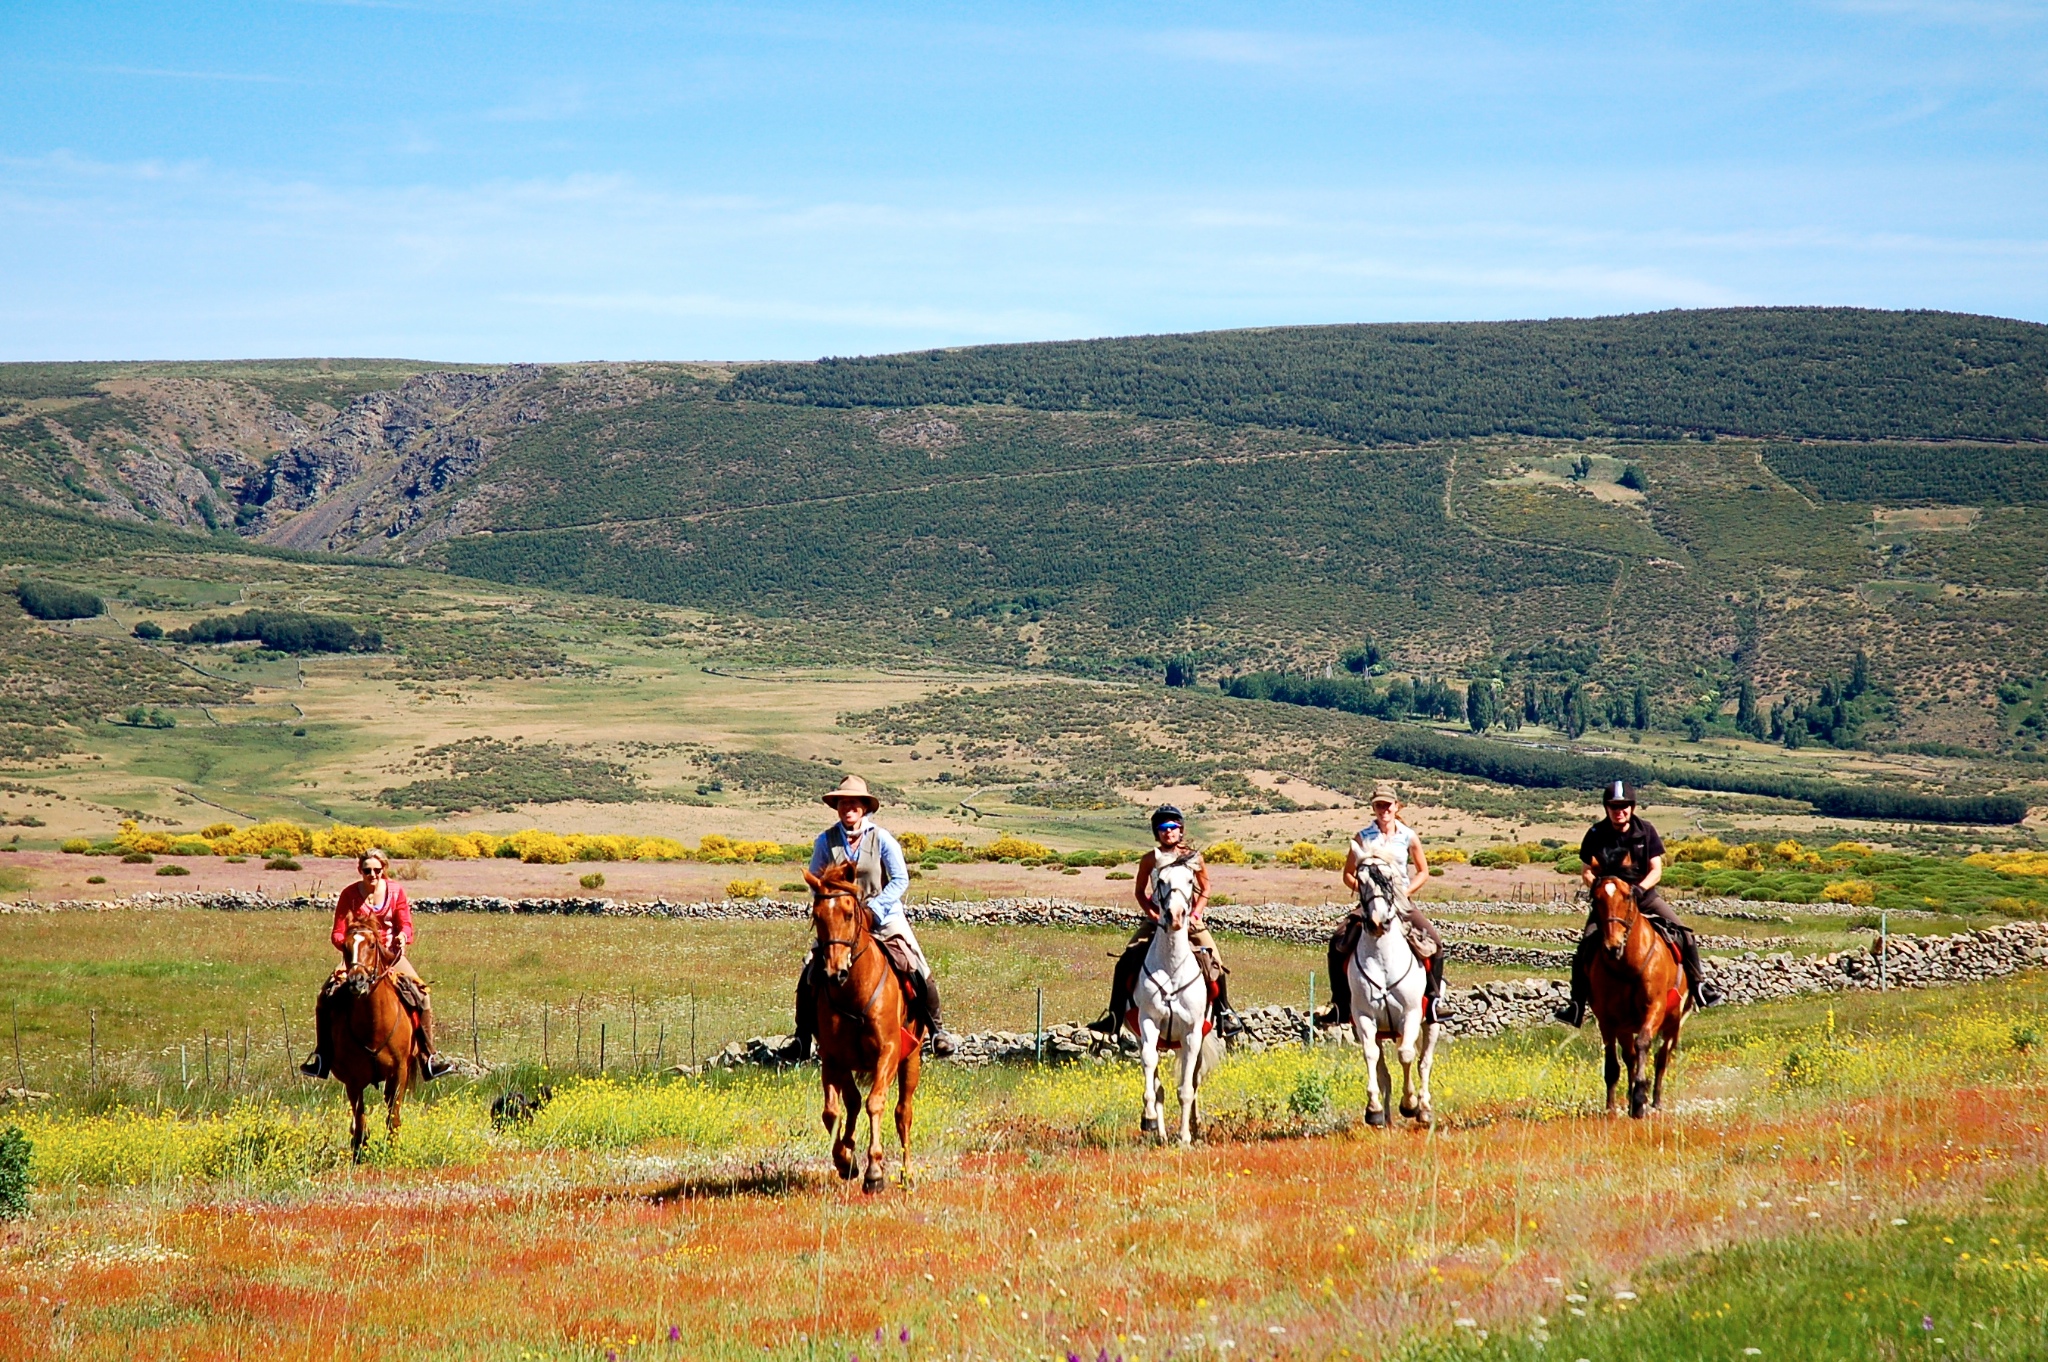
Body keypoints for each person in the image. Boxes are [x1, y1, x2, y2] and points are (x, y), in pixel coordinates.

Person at [777, 775, 956, 1062]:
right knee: (810, 970)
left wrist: (875, 907)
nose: (849, 808)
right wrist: (831, 902)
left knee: (917, 965)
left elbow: (900, 880)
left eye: (854, 803)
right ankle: (801, 1036)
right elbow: (815, 881)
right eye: (843, 803)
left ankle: (937, 1032)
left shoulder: (882, 838)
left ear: (864, 807)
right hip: (841, 920)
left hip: (883, 916)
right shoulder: (825, 840)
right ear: (837, 807)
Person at [1553, 780, 1723, 1026]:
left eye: (1623, 806)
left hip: (1643, 897)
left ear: (1631, 807)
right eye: (1613, 806)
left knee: (1685, 934)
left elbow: (1656, 870)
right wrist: (1599, 890)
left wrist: (1639, 889)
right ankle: (1576, 1005)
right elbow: (1586, 871)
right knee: (1586, 947)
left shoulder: (1646, 831)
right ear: (1606, 808)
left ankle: (1699, 986)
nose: (1618, 811)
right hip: (1610, 904)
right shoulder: (1595, 834)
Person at [299, 848, 455, 1080]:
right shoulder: (349, 895)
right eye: (367, 870)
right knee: (326, 995)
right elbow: (337, 933)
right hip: (357, 958)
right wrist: (352, 946)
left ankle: (427, 1058)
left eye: (377, 870)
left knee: (422, 994)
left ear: (384, 870)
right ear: (360, 871)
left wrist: (403, 937)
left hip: (391, 957)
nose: (372, 874)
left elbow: (406, 924)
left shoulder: (396, 891)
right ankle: (322, 1057)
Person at [1087, 805, 1241, 1038]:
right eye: (1162, 828)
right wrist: (1153, 915)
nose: (1168, 832)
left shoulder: (1194, 857)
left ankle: (1224, 1013)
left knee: (1215, 962)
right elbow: (1139, 891)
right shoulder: (1150, 859)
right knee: (1127, 959)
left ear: (1180, 829)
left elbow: (1206, 887)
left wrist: (1196, 914)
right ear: (1156, 832)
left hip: (1189, 919)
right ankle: (1115, 1017)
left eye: (1173, 827)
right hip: (1157, 919)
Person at [1318, 782, 1444, 1026]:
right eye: (1379, 805)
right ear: (1373, 808)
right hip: (1370, 903)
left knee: (1435, 942)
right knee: (1337, 941)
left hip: (1402, 903)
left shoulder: (1408, 836)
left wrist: (1403, 892)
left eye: (1388, 805)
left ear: (1396, 807)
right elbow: (1347, 874)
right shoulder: (1362, 837)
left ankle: (1434, 1000)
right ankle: (1340, 1005)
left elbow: (1423, 871)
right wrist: (1366, 892)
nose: (1383, 809)